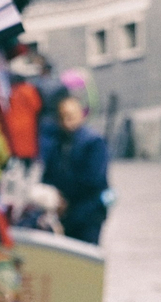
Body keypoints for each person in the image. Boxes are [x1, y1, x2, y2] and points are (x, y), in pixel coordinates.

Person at [40, 93, 110, 245]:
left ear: (81, 115)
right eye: (62, 117)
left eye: (70, 116)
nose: (66, 122)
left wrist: (66, 197)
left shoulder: (93, 142)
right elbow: (49, 173)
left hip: (88, 211)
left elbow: (93, 179)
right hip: (65, 212)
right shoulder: (58, 141)